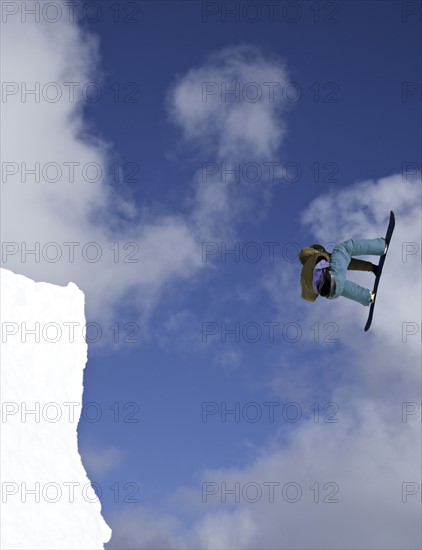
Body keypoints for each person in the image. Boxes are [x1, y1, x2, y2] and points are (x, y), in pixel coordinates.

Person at [299, 238, 387, 306]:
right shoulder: (316, 256)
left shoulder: (304, 280)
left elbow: (308, 298)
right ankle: (381, 246)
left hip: (329, 293)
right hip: (330, 277)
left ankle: (368, 297)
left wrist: (372, 268)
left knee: (337, 286)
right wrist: (371, 267)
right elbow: (349, 263)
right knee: (343, 248)